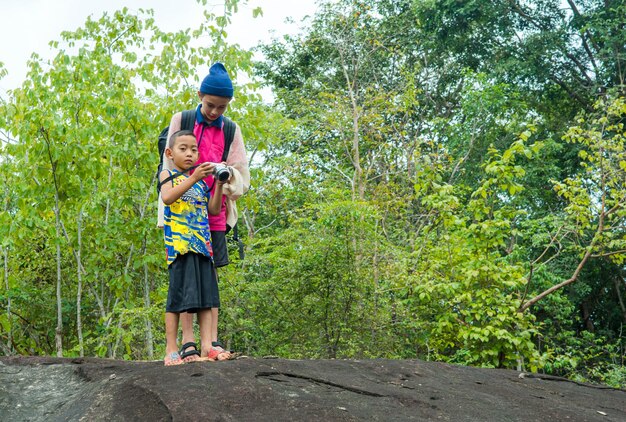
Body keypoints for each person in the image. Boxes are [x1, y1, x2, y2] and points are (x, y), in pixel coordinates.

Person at [158, 62, 250, 362]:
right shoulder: (182, 119)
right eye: (210, 105)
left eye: (221, 108)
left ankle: (211, 341)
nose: (214, 112)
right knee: (186, 279)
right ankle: (186, 343)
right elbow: (167, 165)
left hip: (214, 209)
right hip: (183, 213)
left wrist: (224, 179)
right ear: (200, 95)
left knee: (208, 278)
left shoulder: (231, 129)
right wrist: (195, 174)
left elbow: (241, 174)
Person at [160, 130, 225, 366]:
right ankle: (171, 349)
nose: (189, 153)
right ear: (170, 153)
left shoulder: (200, 183)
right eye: (183, 149)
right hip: (180, 247)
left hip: (203, 247)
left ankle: (208, 345)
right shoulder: (167, 174)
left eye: (194, 149)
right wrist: (194, 177)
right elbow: (168, 197)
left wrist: (218, 184)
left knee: (207, 298)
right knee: (178, 298)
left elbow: (215, 210)